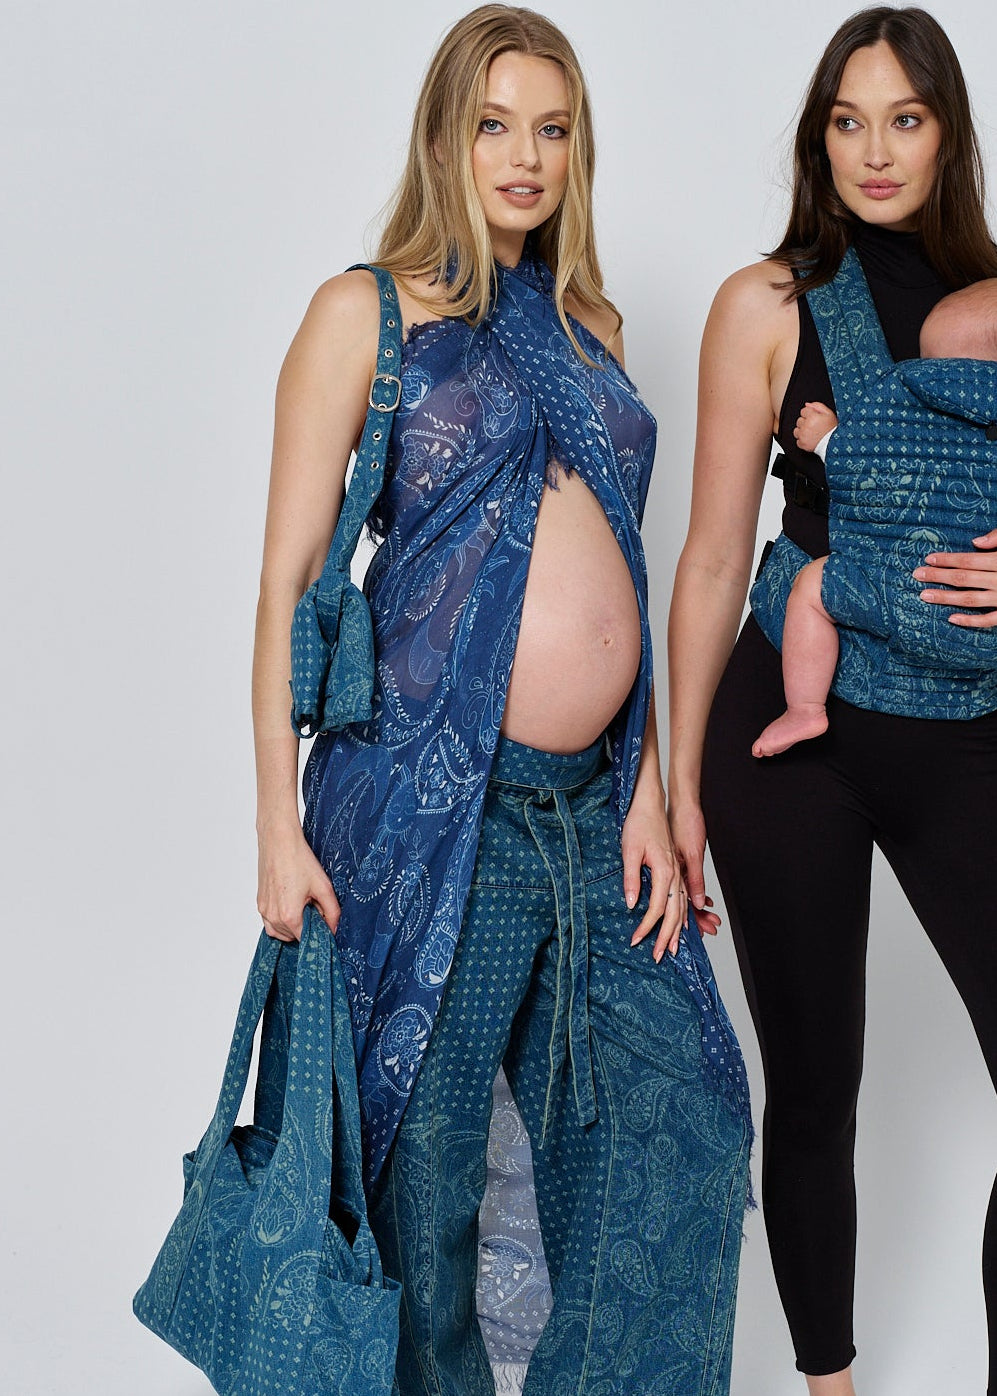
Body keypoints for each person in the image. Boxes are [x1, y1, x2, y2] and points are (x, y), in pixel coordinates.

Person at [252, 7, 751, 1396]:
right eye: (494, 124)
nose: (523, 157)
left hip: (595, 815)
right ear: (445, 136)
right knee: (425, 1172)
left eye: (551, 127)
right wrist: (270, 830)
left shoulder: (588, 324)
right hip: (429, 809)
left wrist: (653, 784)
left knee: (678, 1128)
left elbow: (627, 575)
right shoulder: (364, 309)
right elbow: (288, 587)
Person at [668, 7, 997, 1394]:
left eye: (905, 120)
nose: (874, 151)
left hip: (964, 724)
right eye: (846, 121)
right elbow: (705, 553)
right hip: (785, 728)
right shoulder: (767, 305)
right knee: (810, 1093)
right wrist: (671, 789)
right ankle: (828, 1384)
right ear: (818, 137)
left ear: (948, 134)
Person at [754, 277, 997, 757]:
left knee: (811, 588)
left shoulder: (916, 407)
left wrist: (827, 439)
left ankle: (804, 708)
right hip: (983, 635)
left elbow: (874, 468)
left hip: (894, 593)